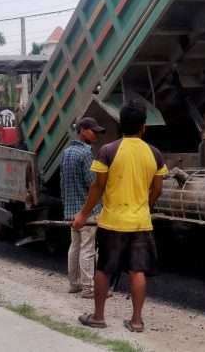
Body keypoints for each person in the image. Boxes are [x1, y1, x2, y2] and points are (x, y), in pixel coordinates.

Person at [73, 100, 168, 333]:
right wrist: (145, 205)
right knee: (137, 270)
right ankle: (136, 321)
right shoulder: (154, 153)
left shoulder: (108, 151)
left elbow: (97, 188)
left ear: (120, 124)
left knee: (104, 269)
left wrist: (83, 215)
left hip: (112, 222)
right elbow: (157, 189)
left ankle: (98, 317)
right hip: (140, 222)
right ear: (143, 127)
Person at [62, 116, 105, 298]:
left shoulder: (67, 152)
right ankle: (89, 288)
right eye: (93, 131)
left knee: (75, 247)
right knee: (88, 249)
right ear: (82, 130)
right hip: (87, 211)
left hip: (71, 210)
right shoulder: (86, 153)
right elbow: (92, 184)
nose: (95, 135)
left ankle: (74, 284)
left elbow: (63, 183)